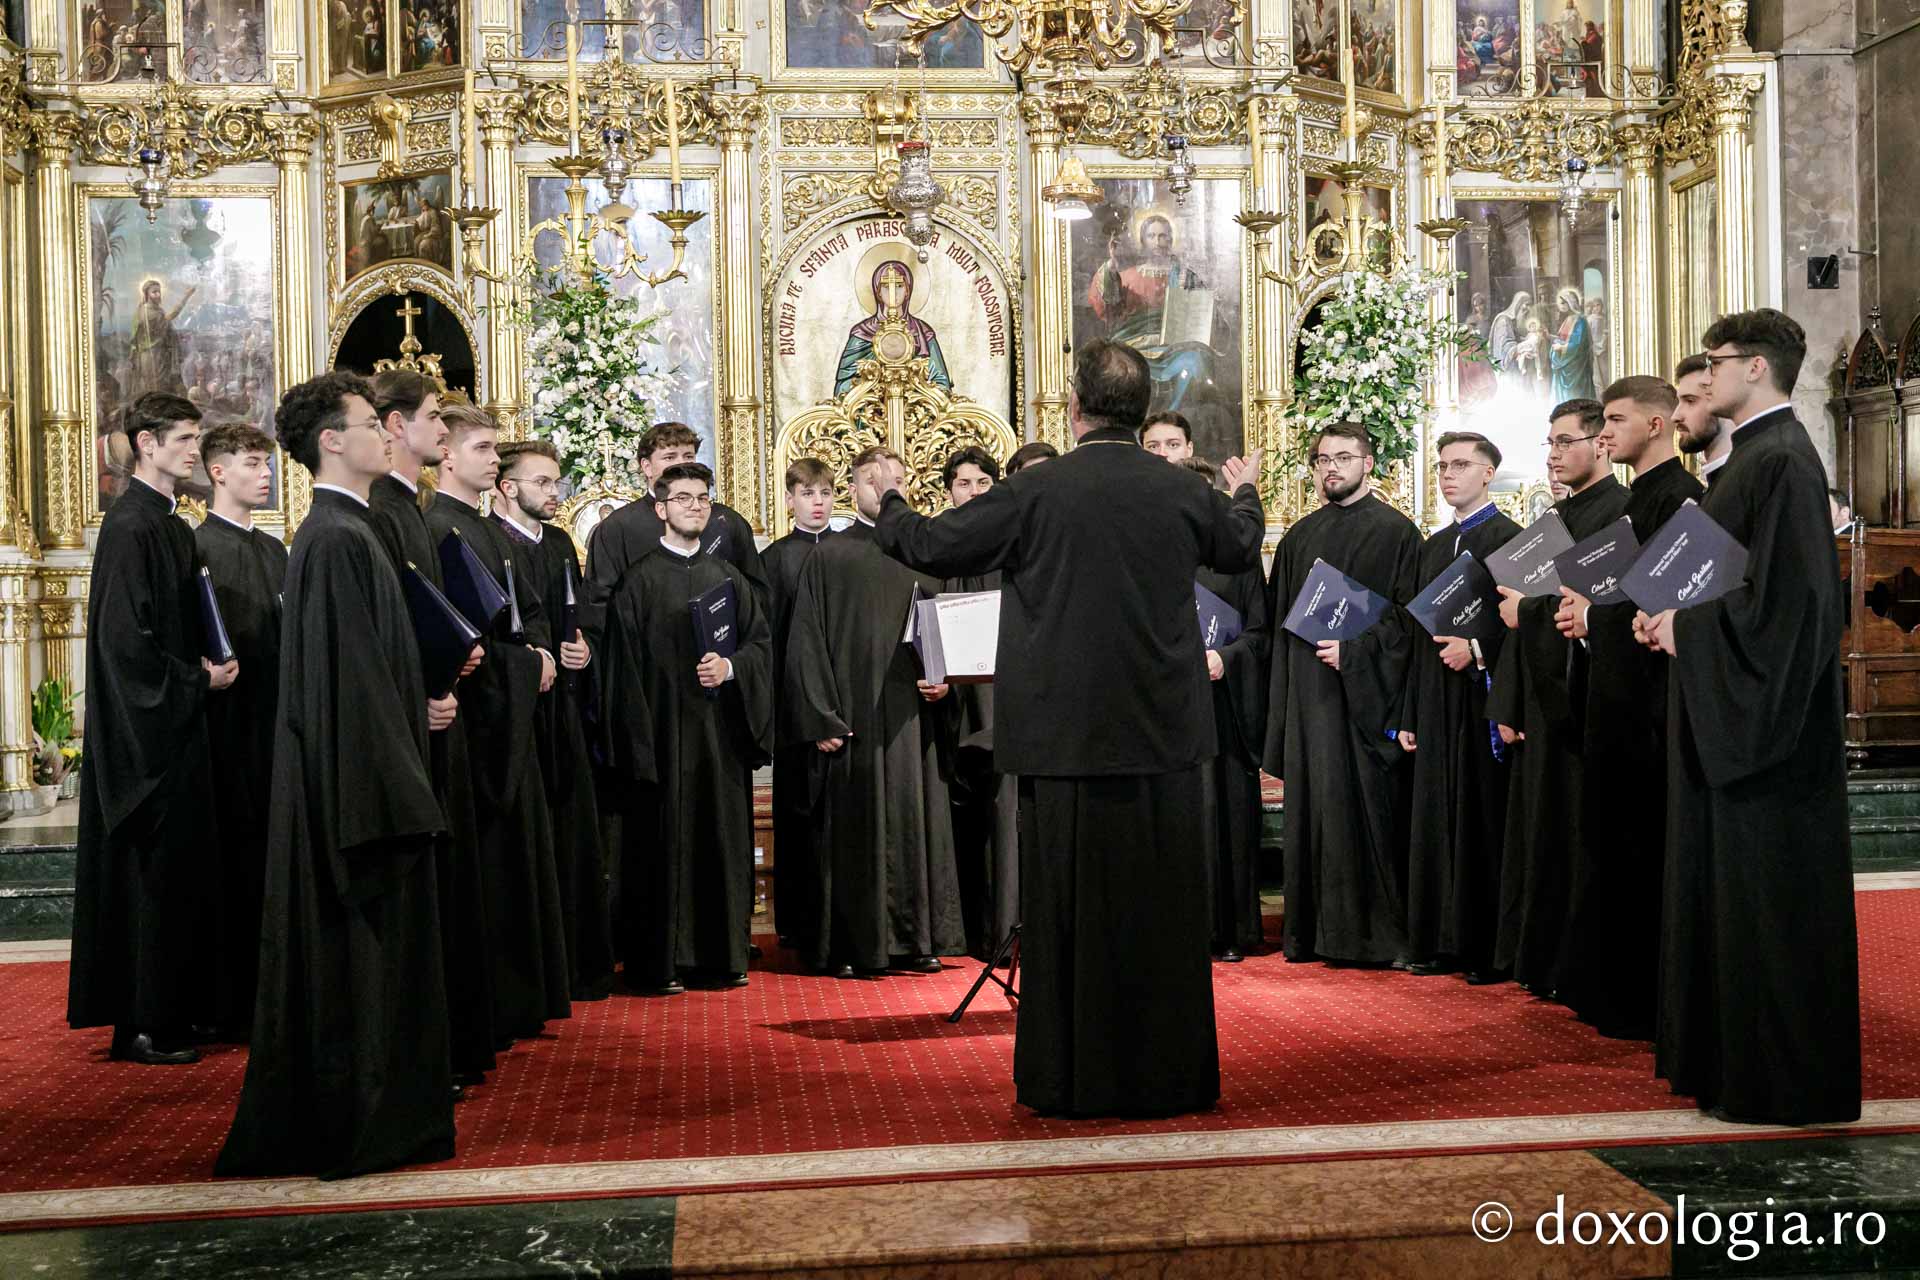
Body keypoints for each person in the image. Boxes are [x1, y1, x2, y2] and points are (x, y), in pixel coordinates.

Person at [872, 340, 1266, 1118]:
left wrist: (888, 499)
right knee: (1162, 913)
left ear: (1074, 408)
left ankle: (1071, 1080)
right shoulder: (1179, 489)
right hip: (1163, 738)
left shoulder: (1037, 491)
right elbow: (1240, 541)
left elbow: (928, 544)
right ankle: (1171, 1078)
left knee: (1068, 914)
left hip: (1063, 742)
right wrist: (1246, 492)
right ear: (1143, 409)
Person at [216, 371, 454, 1179]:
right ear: (332, 440)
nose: (385, 435)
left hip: (367, 781)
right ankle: (362, 1124)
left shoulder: (343, 531)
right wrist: (400, 792)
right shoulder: (336, 536)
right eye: (368, 424)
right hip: (361, 803)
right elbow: (348, 687)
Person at [1635, 308, 1858, 1125]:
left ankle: (1782, 1080)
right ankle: (1734, 1067)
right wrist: (1666, 613)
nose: (1707, 372)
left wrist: (1684, 627)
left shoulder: (1785, 462)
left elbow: (1793, 612)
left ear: (1754, 368)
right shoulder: (1751, 460)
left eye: (1716, 360)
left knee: (1773, 914)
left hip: (1770, 740)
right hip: (1726, 714)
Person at [67, 393, 233, 1065]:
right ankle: (140, 1023)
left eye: (197, 437)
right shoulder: (130, 525)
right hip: (147, 742)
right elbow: (122, 645)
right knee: (147, 881)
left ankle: (176, 1010)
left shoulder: (171, 524)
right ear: (146, 444)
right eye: (185, 438)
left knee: (180, 878)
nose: (195, 449)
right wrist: (197, 681)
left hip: (178, 728)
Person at [1551, 376, 1702, 1038]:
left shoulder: (1683, 500)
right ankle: (1604, 989)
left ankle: (1639, 999)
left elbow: (1675, 603)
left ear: (1658, 425)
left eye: (1616, 420)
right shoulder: (1637, 503)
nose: (1604, 432)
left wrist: (1596, 615)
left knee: (1641, 850)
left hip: (1650, 709)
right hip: (1614, 704)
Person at [784, 445, 965, 979]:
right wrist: (819, 715)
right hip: (854, 720)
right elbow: (807, 640)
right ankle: (852, 945)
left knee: (916, 821)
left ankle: (917, 940)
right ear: (855, 488)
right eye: (873, 479)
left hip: (913, 717)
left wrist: (945, 677)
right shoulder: (831, 555)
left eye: (896, 479)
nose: (886, 487)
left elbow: (949, 623)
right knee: (855, 829)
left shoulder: (928, 550)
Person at [366, 369, 495, 1084]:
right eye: (433, 418)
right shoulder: (380, 513)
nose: (443, 431)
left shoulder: (407, 505)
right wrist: (418, 695)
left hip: (439, 712)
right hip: (416, 722)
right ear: (395, 427)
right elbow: (380, 633)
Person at [600, 462, 774, 991]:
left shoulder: (731, 580)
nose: (695, 506)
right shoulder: (637, 583)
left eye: (703, 498)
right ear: (661, 509)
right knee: (660, 848)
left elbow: (760, 647)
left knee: (718, 840)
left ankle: (720, 958)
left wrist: (733, 668)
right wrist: (638, 747)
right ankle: (661, 963)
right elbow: (620, 674)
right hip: (659, 743)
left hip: (718, 743)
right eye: (683, 498)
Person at [427, 402, 572, 1036]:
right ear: (449, 455)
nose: (493, 460)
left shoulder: (492, 530)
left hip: (514, 715)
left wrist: (539, 651)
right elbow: (453, 636)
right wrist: (517, 664)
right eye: (483, 450)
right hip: (478, 721)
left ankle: (518, 997)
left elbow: (526, 609)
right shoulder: (436, 526)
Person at [1265, 422, 1422, 967]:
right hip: (1310, 704)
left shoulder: (1397, 532)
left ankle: (1378, 940)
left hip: (1365, 702)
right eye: (1322, 459)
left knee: (1368, 814)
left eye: (1343, 457)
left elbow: (1409, 619)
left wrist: (1354, 651)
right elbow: (1278, 631)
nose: (1331, 467)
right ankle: (1309, 937)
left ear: (1368, 464)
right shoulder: (1297, 539)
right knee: (1314, 816)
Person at [1488, 399, 1629, 995]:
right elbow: (1521, 619)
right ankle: (1541, 959)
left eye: (1565, 441)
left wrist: (1528, 612)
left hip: (1587, 702)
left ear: (1601, 444)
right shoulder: (1557, 516)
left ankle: (1572, 964)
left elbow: (1600, 611)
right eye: (1549, 443)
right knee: (1539, 833)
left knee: (1576, 833)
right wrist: (1510, 706)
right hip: (1543, 701)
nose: (1553, 454)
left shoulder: (1620, 513)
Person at [1395, 432, 1520, 982]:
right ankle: (1436, 939)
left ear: (1489, 472)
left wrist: (1475, 648)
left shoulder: (1512, 539)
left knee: (1480, 818)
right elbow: (1411, 635)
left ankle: (1483, 947)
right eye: (1443, 465)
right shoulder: (1431, 546)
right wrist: (1407, 713)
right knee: (1435, 819)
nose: (1448, 474)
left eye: (1462, 465)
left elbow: (1528, 625)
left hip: (1482, 699)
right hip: (1434, 700)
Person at [494, 439, 616, 1001]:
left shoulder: (563, 542)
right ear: (507, 486)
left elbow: (582, 612)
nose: (554, 492)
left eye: (556, 482)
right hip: (517, 713)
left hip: (564, 708)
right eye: (542, 482)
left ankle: (579, 966)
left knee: (573, 830)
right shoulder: (492, 542)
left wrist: (585, 649)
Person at [193, 423, 287, 1036]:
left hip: (276, 723)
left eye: (268, 463)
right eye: (253, 463)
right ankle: (225, 1004)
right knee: (229, 861)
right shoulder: (197, 546)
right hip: (225, 730)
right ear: (218, 471)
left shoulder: (276, 549)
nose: (266, 474)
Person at [1183, 456, 1269, 962]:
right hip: (1170, 714)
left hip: (1225, 710)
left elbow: (1260, 633)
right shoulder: (1153, 556)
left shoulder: (1236, 561)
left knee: (1228, 816)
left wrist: (1224, 657)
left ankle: (1232, 930)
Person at [938, 445, 1020, 959]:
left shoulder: (1014, 545)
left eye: (982, 483)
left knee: (1005, 808)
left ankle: (1004, 926)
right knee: (961, 811)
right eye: (963, 483)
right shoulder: (940, 546)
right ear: (948, 491)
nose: (972, 492)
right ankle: (967, 928)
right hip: (954, 697)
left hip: (1007, 692)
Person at [761, 457, 837, 956]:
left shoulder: (850, 551)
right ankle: (795, 922)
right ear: (789, 499)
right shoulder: (774, 559)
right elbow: (767, 640)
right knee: (796, 816)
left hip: (841, 708)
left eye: (825, 493)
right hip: (792, 708)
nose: (817, 502)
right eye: (807, 493)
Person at [585, 422, 768, 621]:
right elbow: (599, 604)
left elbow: (755, 592)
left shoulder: (727, 521)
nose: (682, 464)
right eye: (670, 457)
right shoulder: (616, 527)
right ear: (647, 466)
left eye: (688, 456)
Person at [1089, 216, 1212, 411]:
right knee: (1120, 369)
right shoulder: (1128, 276)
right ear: (1143, 240)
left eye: (1163, 236)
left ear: (1170, 240)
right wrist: (1111, 266)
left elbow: (1200, 311)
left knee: (1195, 360)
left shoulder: (1184, 275)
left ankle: (1175, 415)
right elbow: (1107, 305)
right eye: (1151, 236)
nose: (1157, 241)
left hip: (1174, 345)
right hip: (1133, 343)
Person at [835, 260, 951, 396]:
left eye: (899, 285)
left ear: (908, 290)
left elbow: (941, 383)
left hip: (915, 409)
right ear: (877, 291)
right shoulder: (862, 332)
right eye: (885, 286)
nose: (893, 292)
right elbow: (843, 388)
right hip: (871, 411)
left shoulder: (922, 332)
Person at [1672, 352, 1733, 485]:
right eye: (1678, 402)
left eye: (1690, 401)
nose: (1675, 416)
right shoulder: (1715, 482)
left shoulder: (1746, 480)